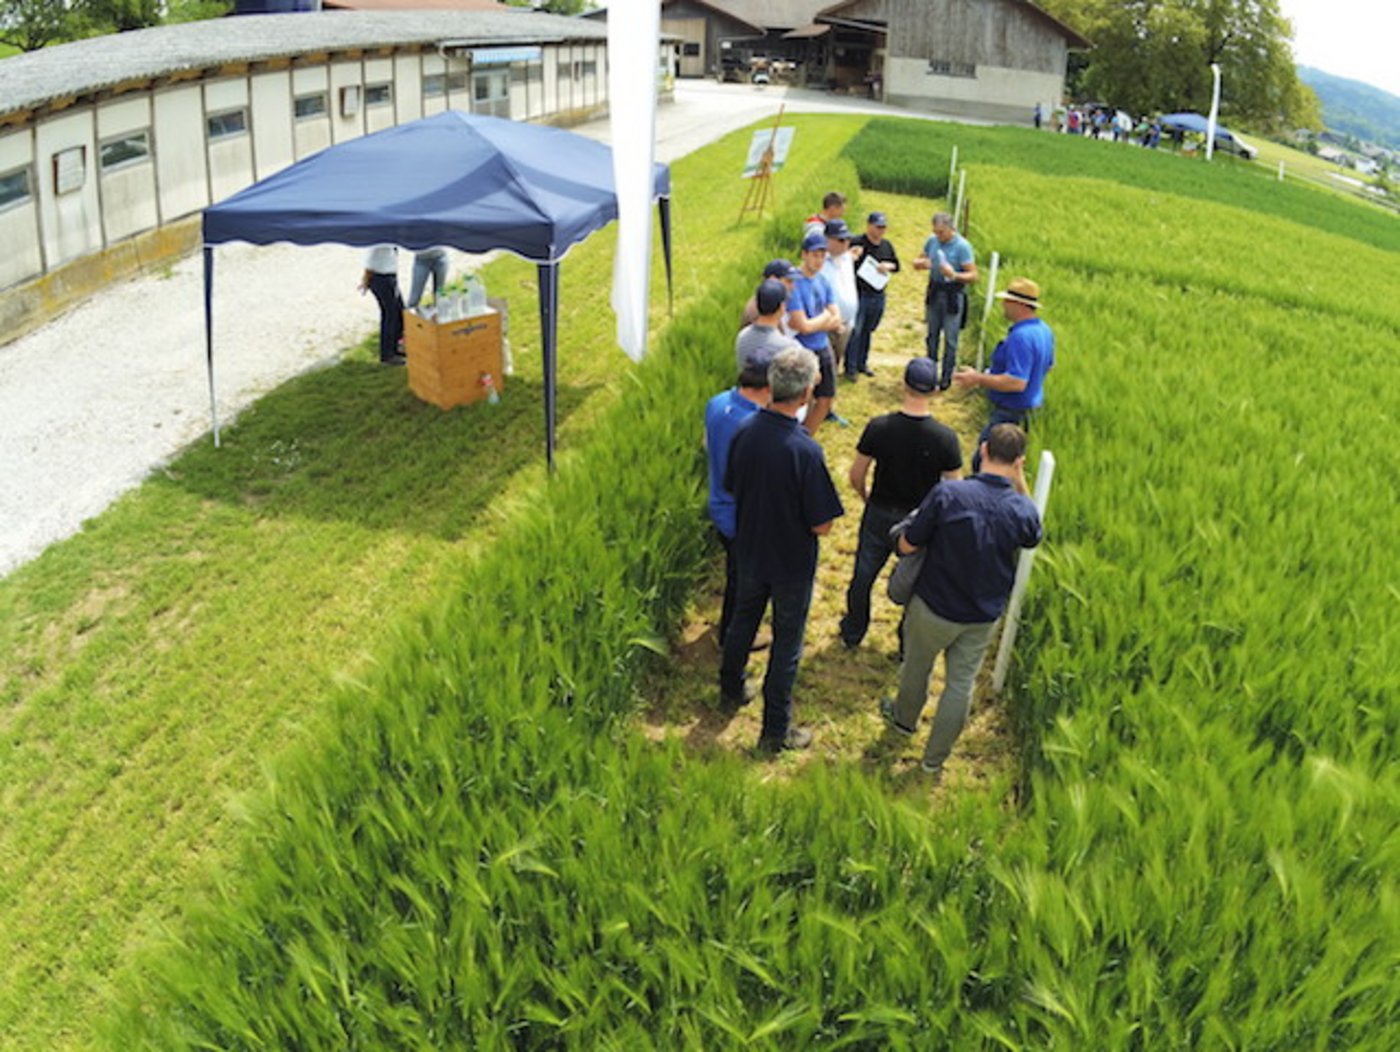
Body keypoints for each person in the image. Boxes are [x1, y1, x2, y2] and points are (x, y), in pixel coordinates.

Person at [880, 423, 1042, 778]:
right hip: (982, 614)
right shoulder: (1021, 510)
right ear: (1019, 462)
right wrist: (1021, 480)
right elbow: (1034, 534)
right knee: (960, 685)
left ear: (982, 450)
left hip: (934, 605)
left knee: (916, 668)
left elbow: (909, 544)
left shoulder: (948, 494)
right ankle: (933, 761)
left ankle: (904, 722)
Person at [719, 346, 844, 753]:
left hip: (750, 548)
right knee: (787, 642)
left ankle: (731, 687)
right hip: (790, 561)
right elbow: (822, 524)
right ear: (807, 393)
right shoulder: (805, 450)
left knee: (743, 620)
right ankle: (776, 731)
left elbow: (733, 486)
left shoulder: (744, 432)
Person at [838, 358, 962, 650]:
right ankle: (906, 643)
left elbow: (856, 474)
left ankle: (853, 631)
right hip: (919, 520)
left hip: (880, 509)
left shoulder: (879, 427)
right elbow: (954, 489)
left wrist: (866, 496)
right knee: (917, 584)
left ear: (903, 385)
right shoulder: (946, 438)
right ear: (934, 391)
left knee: (863, 575)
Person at [706, 297, 777, 648]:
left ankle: (730, 630)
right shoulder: (753, 424)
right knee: (742, 582)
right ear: (765, 388)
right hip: (741, 515)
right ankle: (732, 637)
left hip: (717, 503)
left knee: (735, 575)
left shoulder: (717, 403)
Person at [954, 276, 1054, 472]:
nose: (1003, 305)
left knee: (984, 464)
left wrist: (978, 379)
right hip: (1027, 411)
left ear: (1019, 304)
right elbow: (1047, 366)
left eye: (1007, 301)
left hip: (1009, 412)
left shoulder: (1021, 337)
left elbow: (1016, 382)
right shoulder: (1044, 331)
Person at [912, 212, 977, 390]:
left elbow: (973, 275)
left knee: (950, 339)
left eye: (941, 232)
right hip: (934, 291)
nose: (938, 236)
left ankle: (946, 376)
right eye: (935, 232)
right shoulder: (932, 241)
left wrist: (954, 275)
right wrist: (920, 263)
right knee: (932, 335)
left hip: (952, 294)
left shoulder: (963, 247)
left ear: (950, 229)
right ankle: (929, 372)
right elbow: (919, 259)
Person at [787, 230, 843, 433]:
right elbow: (803, 326)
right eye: (815, 255)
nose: (819, 260)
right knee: (802, 399)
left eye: (822, 255)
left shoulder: (823, 281)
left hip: (822, 345)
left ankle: (807, 436)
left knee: (826, 397)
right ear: (804, 254)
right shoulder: (795, 283)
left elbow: (836, 318)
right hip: (803, 349)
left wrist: (819, 322)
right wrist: (825, 319)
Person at [845, 210, 900, 379]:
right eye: (878, 227)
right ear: (869, 226)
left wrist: (888, 266)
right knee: (856, 331)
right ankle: (851, 367)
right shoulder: (857, 243)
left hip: (878, 294)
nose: (881, 231)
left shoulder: (886, 246)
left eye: (883, 227)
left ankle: (863, 363)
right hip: (859, 293)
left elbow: (897, 265)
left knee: (868, 329)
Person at [822, 218, 859, 375]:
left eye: (848, 239)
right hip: (826, 326)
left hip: (846, 324)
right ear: (828, 240)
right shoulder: (820, 262)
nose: (846, 243)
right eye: (841, 240)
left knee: (835, 365)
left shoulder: (847, 259)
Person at [360, 244, 405, 365]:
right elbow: (370, 260)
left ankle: (394, 347)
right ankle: (387, 354)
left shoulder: (390, 239)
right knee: (390, 315)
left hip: (389, 277)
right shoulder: (381, 240)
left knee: (399, 311)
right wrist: (366, 279)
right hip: (382, 278)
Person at [741, 259, 801, 331]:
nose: (792, 287)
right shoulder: (759, 310)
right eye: (789, 281)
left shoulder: (771, 303)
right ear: (772, 279)